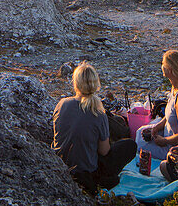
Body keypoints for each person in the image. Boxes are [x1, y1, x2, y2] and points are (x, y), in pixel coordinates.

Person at [52, 62, 137, 194]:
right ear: (96, 84)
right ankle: (104, 180)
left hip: (60, 163)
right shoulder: (98, 113)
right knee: (130, 145)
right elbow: (104, 151)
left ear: (76, 83)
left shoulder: (62, 104)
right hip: (86, 173)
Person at [135, 50, 178, 161]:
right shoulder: (176, 86)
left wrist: (165, 141)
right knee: (140, 131)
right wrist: (158, 126)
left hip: (177, 146)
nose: (161, 67)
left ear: (169, 69)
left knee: (139, 144)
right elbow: (171, 114)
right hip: (168, 133)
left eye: (163, 64)